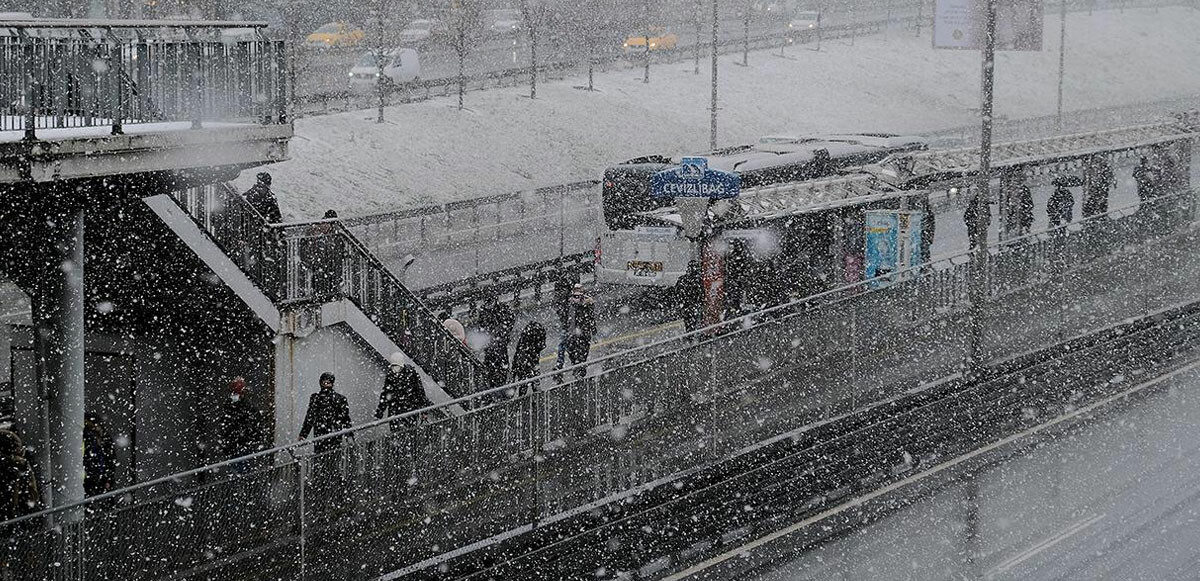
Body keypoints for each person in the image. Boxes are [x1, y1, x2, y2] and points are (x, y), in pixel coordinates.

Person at [218, 377, 267, 467]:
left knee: (241, 469)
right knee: (241, 469)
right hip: (238, 444)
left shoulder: (241, 407)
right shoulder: (232, 407)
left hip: (241, 443)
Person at [299, 372, 353, 455]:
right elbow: (310, 416)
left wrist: (349, 435)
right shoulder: (317, 398)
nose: (326, 384)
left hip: (329, 434)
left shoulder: (339, 398)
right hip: (326, 434)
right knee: (326, 458)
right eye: (324, 382)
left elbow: (345, 418)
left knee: (328, 458)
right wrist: (303, 434)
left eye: (328, 382)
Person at [375, 356, 431, 432]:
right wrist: (380, 412)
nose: (395, 370)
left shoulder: (411, 374)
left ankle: (404, 441)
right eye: (393, 367)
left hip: (409, 409)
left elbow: (420, 392)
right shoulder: (391, 376)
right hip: (397, 410)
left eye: (396, 367)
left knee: (408, 432)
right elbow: (386, 394)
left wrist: (424, 410)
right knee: (399, 432)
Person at [555, 284, 596, 381]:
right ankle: (577, 369)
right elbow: (562, 314)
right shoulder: (569, 304)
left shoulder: (587, 304)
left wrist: (586, 304)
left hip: (583, 335)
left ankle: (580, 371)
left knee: (582, 355)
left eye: (579, 295)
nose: (576, 298)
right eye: (575, 295)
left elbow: (591, 318)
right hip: (572, 334)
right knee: (572, 353)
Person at [301, 210, 344, 299]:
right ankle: (321, 294)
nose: (325, 226)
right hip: (320, 265)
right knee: (320, 280)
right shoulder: (316, 231)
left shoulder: (334, 234)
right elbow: (305, 246)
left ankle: (329, 293)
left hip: (326, 266)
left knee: (327, 278)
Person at [0, 429, 39, 523]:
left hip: (13, 513)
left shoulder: (18, 465)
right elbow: (32, 492)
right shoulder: (23, 464)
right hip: (21, 513)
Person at [478, 295, 516, 389]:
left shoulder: (502, 309)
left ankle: (501, 382)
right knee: (490, 365)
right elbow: (481, 325)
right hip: (490, 344)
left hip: (500, 342)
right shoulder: (484, 312)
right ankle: (492, 384)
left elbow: (511, 319)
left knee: (501, 363)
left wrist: (503, 332)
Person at [509, 321, 547, 393]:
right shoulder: (532, 345)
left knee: (524, 381)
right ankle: (533, 397)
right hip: (525, 360)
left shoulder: (524, 343)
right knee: (529, 380)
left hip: (522, 359)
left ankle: (518, 396)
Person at [83, 414, 115, 497]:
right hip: (94, 475)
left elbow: (110, 459)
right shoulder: (91, 438)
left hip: (98, 475)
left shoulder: (103, 439)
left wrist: (108, 478)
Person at [677, 259, 704, 332]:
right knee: (696, 321)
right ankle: (694, 335)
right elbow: (701, 293)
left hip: (686, 305)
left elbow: (677, 292)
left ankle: (689, 334)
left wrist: (681, 302)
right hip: (695, 305)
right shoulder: (698, 279)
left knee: (688, 322)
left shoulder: (682, 279)